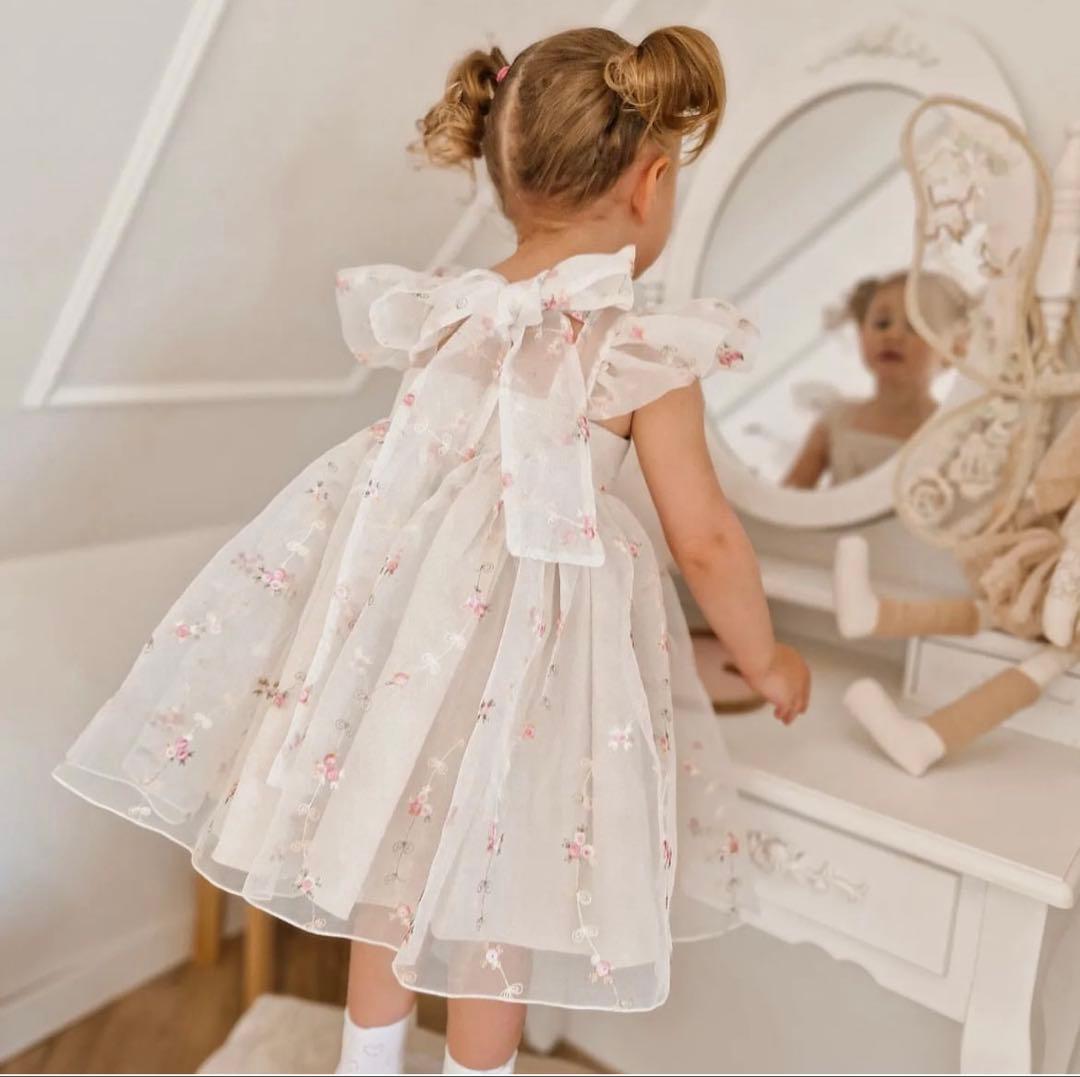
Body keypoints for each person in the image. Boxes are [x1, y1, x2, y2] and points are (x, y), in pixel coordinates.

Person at [54, 25, 810, 1075]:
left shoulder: (447, 313)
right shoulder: (637, 347)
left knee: (392, 867)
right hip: (533, 673)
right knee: (505, 896)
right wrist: (766, 660)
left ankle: (365, 1065)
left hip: (408, 657)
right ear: (649, 184)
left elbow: (416, 492)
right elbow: (709, 540)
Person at [783, 271, 957, 488]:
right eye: (882, 323)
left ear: (954, 349)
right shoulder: (836, 421)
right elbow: (789, 495)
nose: (893, 335)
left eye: (914, 326)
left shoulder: (953, 433)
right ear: (861, 333)